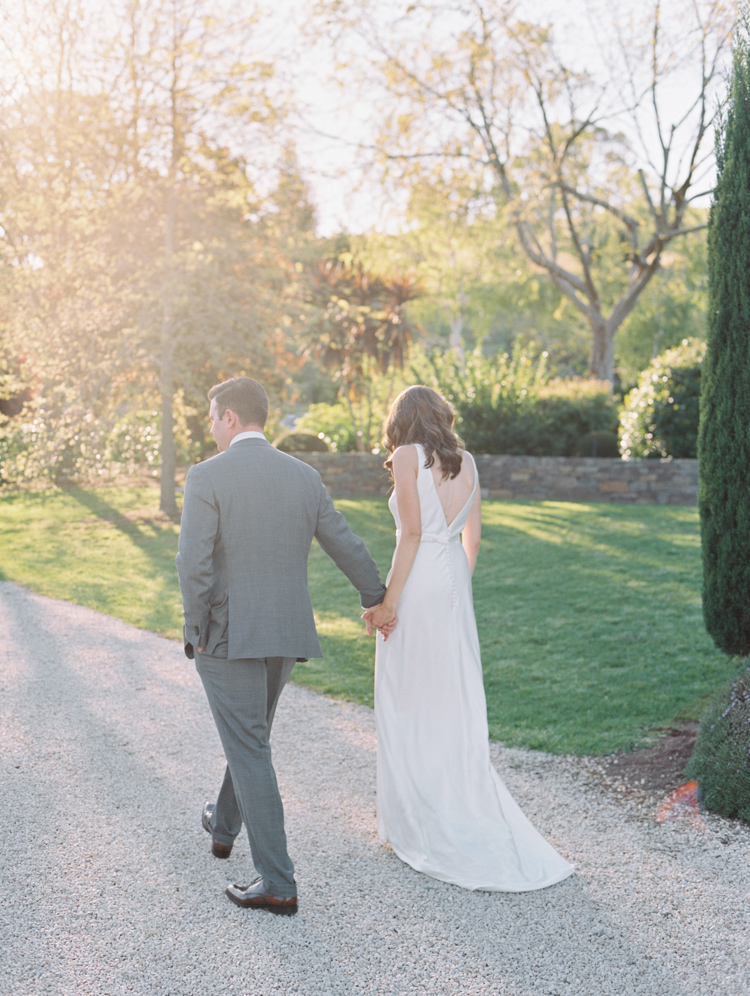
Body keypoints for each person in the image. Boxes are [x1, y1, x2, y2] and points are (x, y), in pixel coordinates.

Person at [176, 376, 389, 915]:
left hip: (227, 636)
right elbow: (345, 541)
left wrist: (195, 630)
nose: (210, 427)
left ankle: (277, 881)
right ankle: (223, 828)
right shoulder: (303, 475)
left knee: (249, 744)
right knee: (250, 734)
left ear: (228, 417)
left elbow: (192, 564)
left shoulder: (206, 475)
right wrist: (378, 597)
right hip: (285, 632)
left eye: (211, 416)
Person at [362, 385, 573, 892]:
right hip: (453, 577)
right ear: (440, 416)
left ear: (401, 420)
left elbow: (410, 534)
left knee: (404, 693)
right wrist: (455, 586)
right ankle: (445, 796)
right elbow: (472, 538)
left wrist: (390, 601)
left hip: (419, 578)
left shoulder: (408, 455)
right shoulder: (468, 461)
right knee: (449, 693)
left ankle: (412, 818)